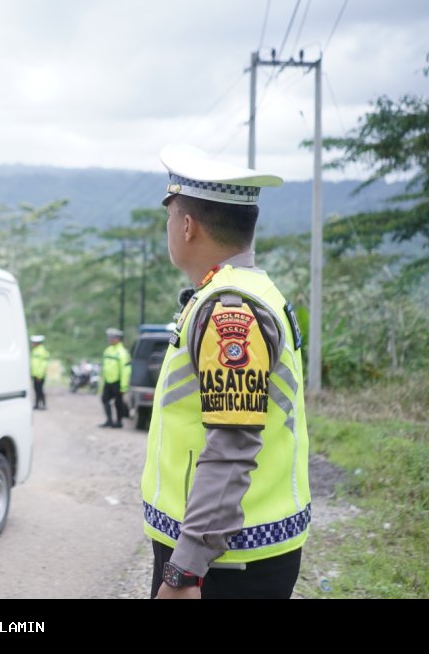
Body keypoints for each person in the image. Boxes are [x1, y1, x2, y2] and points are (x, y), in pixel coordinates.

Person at [141, 144, 310, 599]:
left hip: (226, 564)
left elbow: (232, 447)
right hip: (234, 552)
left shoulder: (228, 310)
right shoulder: (243, 290)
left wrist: (185, 572)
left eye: (170, 216)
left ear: (188, 225)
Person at [99, 328, 131, 428]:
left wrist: (124, 387)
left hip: (118, 382)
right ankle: (109, 420)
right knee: (105, 400)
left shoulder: (122, 353)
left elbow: (126, 371)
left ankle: (119, 422)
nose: (109, 339)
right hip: (108, 381)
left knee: (118, 403)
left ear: (117, 339)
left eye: (112, 338)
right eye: (109, 337)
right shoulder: (108, 351)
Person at [29, 335, 50, 410]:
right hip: (35, 374)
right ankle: (37, 404)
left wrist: (39, 375)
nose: (32, 343)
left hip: (39, 375)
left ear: (37, 343)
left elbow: (43, 365)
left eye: (34, 342)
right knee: (36, 390)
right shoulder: (35, 350)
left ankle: (44, 405)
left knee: (40, 390)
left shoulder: (42, 351)